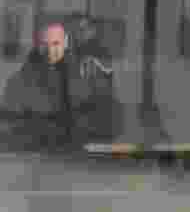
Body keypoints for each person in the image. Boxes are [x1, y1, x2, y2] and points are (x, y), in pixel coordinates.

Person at [3, 19, 120, 151]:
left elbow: (106, 120)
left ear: (65, 44)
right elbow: (11, 122)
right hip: (36, 153)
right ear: (36, 45)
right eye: (44, 44)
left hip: (76, 155)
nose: (50, 49)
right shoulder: (19, 80)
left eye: (56, 43)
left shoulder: (86, 75)